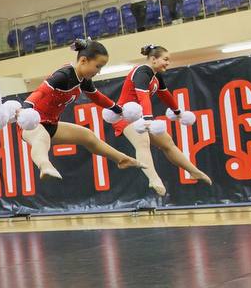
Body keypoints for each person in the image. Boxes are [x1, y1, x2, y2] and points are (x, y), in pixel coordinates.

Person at [16, 39, 142, 180]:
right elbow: (40, 92)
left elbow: (97, 97)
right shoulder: (63, 75)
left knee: (87, 136)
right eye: (97, 66)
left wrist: (117, 108)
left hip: (51, 124)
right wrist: (26, 108)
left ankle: (122, 159)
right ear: (83, 61)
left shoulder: (83, 80)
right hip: (32, 124)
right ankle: (45, 166)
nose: (99, 72)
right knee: (42, 138)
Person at [108, 44, 213, 195]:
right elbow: (143, 97)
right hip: (125, 115)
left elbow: (165, 95)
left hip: (141, 116)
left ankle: (193, 171)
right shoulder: (142, 72)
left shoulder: (155, 76)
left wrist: (178, 112)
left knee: (168, 143)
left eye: (168, 60)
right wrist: (148, 119)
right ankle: (154, 178)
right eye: (165, 59)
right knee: (142, 142)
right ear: (153, 59)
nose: (168, 63)